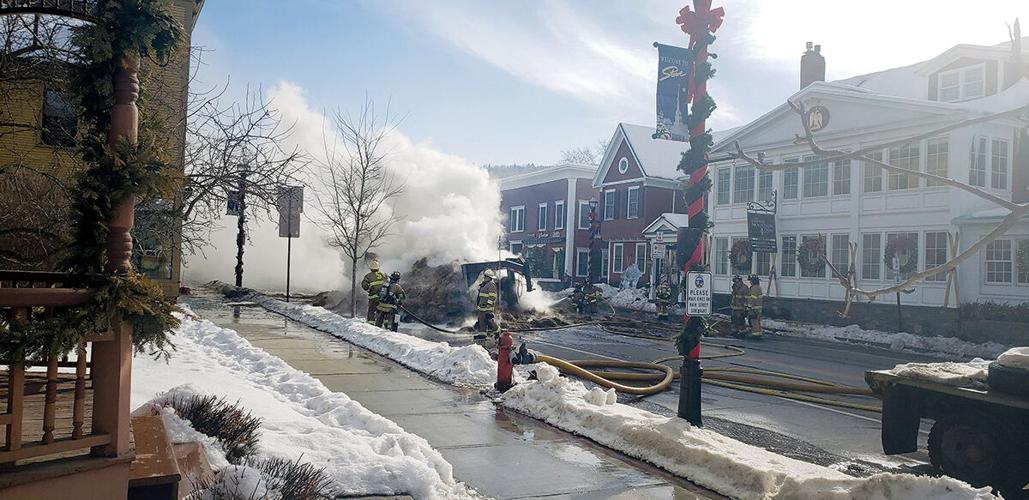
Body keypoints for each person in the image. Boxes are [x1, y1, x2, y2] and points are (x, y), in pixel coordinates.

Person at [476, 269, 499, 334]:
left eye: (485, 276)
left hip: (487, 308)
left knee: (489, 320)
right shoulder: (484, 284)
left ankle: (497, 332)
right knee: (481, 321)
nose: (484, 278)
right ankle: (482, 336)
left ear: (489, 277)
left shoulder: (491, 285)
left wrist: (488, 304)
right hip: (482, 307)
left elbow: (492, 296)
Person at [746, 274, 763, 339]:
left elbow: (753, 298)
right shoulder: (757, 287)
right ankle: (758, 333)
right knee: (756, 321)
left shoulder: (755, 288)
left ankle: (755, 335)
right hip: (757, 308)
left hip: (754, 309)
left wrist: (749, 306)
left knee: (753, 321)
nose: (750, 282)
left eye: (750, 281)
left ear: (753, 281)